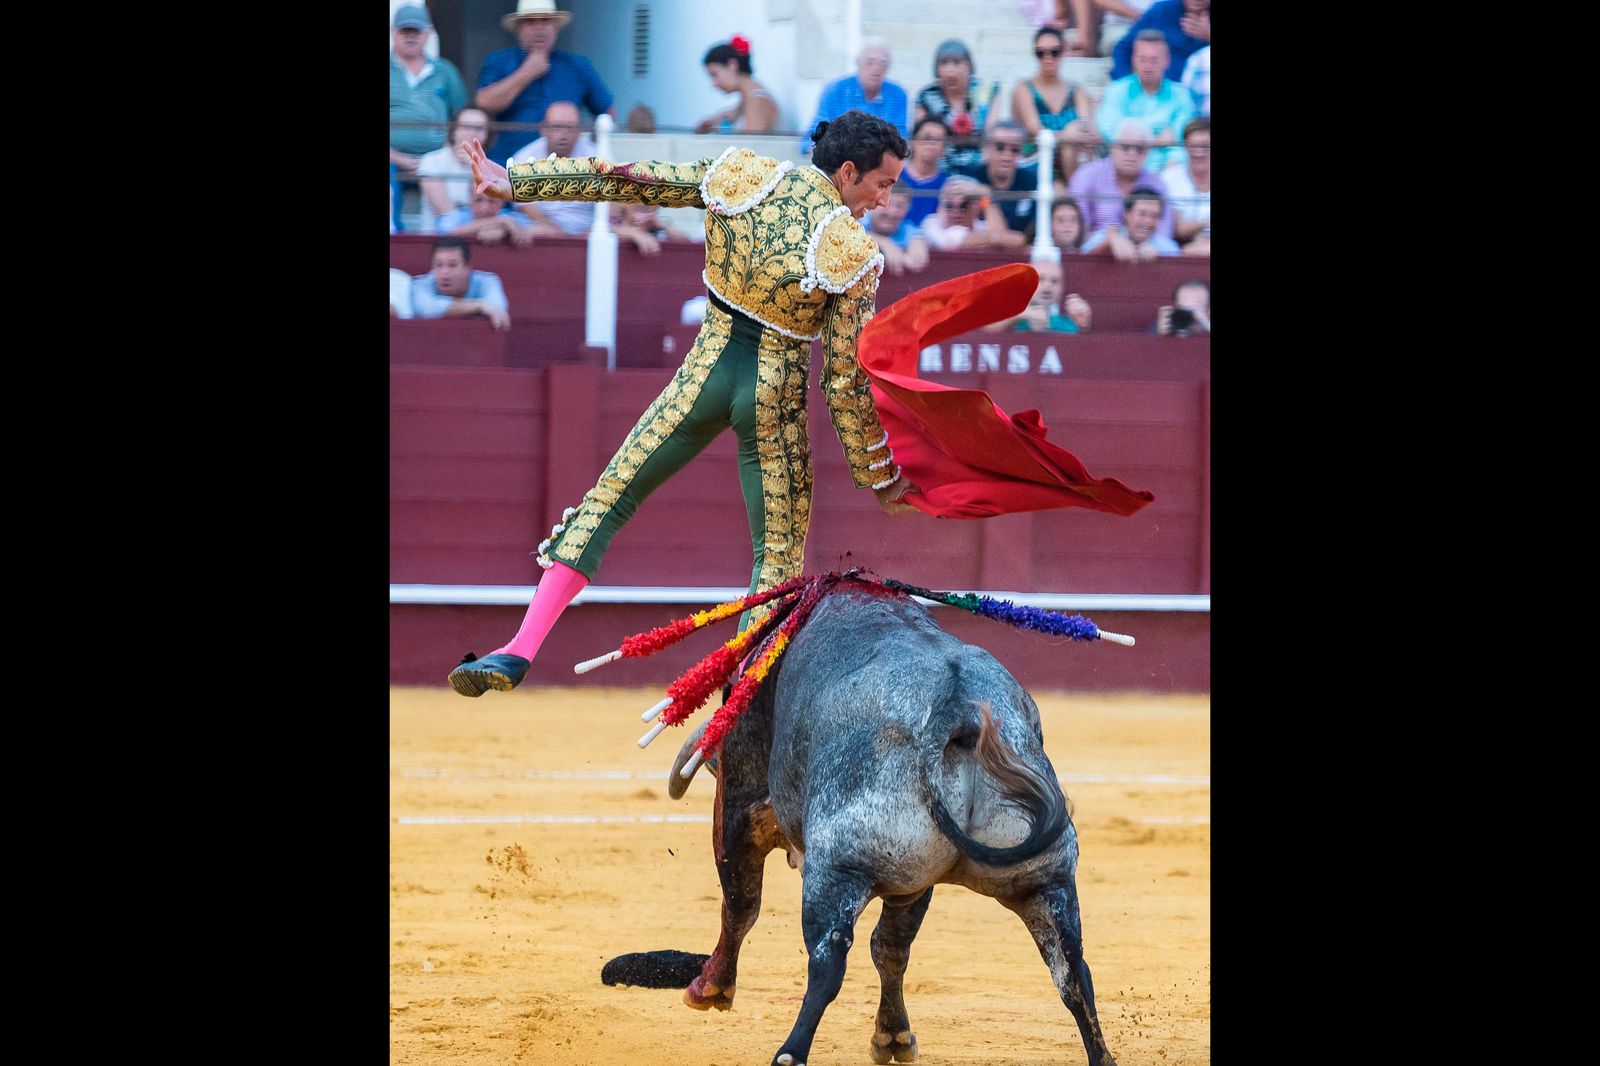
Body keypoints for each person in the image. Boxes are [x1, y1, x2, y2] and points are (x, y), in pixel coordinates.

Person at [447, 110, 920, 700]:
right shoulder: (854, 253)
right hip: (773, 399)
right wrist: (879, 475)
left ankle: (519, 648)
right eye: (884, 184)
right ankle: (740, 718)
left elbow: (631, 179)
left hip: (704, 373)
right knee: (776, 564)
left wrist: (516, 183)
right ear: (849, 172)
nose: (884, 200)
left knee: (609, 498)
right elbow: (845, 380)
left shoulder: (743, 175)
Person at [475, 0, 613, 161]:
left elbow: (607, 111)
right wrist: (526, 72)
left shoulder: (577, 65)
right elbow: (484, 103)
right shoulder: (498, 62)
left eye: (546, 21)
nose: (539, 28)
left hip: (566, 173)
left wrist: (589, 148)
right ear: (519, 28)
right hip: (507, 167)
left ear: (555, 27)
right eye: (531, 22)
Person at [390, 5, 468, 214]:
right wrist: (397, 158)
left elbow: (460, 116)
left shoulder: (445, 70)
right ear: (393, 32)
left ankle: (450, 235)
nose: (410, 37)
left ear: (427, 34)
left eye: (416, 31)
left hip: (440, 158)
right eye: (405, 31)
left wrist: (443, 153)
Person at [1095, 30, 1196, 172]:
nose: (1147, 66)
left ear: (1167, 61)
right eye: (1142, 59)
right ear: (1134, 60)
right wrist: (1156, 140)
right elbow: (1112, 134)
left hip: (1168, 167)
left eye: (1154, 60)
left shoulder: (1181, 95)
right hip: (1124, 166)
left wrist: (1136, 136)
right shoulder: (1116, 90)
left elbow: (1180, 137)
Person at [1010, 25, 1098, 179]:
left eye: (1054, 52)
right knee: (1070, 142)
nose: (1047, 58)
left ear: (1063, 52)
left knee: (1077, 142)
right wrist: (1067, 136)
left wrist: (1077, 132)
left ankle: (1077, 191)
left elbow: (1086, 125)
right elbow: (1035, 129)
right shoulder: (1023, 88)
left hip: (1072, 158)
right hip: (1036, 160)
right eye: (1041, 53)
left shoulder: (1076, 90)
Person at [1066, 118, 1174, 240]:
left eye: (1139, 149)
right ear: (1112, 147)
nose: (1132, 154)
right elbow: (1077, 232)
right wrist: (1111, 241)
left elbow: (1164, 233)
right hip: (1097, 249)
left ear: (1147, 153)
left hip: (1147, 250)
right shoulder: (1086, 176)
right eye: (1125, 147)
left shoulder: (1157, 185)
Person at [804, 37, 909, 151]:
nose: (876, 68)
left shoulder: (897, 95)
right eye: (870, 62)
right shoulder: (834, 91)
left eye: (883, 63)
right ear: (858, 63)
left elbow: (900, 140)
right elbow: (812, 137)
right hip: (839, 160)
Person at [508, 101, 597, 235]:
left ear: (579, 131)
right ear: (544, 129)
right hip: (541, 231)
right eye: (557, 127)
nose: (563, 135)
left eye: (570, 128)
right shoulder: (524, 158)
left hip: (588, 231)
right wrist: (556, 233)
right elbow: (525, 207)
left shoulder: (598, 156)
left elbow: (613, 206)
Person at [913, 40, 1001, 172]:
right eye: (943, 63)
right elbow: (922, 141)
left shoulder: (986, 91)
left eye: (957, 63)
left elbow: (991, 137)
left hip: (980, 165)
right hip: (940, 168)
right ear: (936, 69)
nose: (950, 71)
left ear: (969, 66)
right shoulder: (926, 97)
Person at [409, 237, 512, 330]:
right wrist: (478, 305)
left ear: (468, 267)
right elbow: (428, 309)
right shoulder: (420, 285)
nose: (445, 272)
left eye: (452, 265)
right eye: (438, 265)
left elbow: (498, 309)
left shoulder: (488, 281)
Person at [956, 121, 1038, 235]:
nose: (1007, 156)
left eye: (1014, 149)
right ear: (987, 148)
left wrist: (985, 197)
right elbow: (956, 226)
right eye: (1000, 147)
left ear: (1021, 153)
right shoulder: (969, 176)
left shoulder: (1032, 182)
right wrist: (986, 201)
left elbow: (1029, 233)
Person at [417, 108, 492, 232]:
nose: (473, 133)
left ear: (487, 135)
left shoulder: (490, 167)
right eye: (466, 127)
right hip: (438, 237)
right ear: (453, 131)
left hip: (480, 236)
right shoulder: (431, 160)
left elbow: (490, 209)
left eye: (479, 129)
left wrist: (475, 167)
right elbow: (446, 216)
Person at [983, 253, 1092, 332]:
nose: (1048, 285)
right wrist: (1022, 314)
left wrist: (1083, 325)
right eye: (1041, 279)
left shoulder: (1067, 325)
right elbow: (986, 328)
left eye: (1054, 281)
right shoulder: (1009, 320)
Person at [1110, 0, 1210, 82]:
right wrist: (1125, 81)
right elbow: (1123, 48)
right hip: (1161, 92)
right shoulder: (1161, 11)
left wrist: (1208, 35)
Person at [695, 37, 778, 134]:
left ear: (732, 65)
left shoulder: (756, 100)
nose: (714, 84)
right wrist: (711, 122)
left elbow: (751, 145)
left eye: (715, 74)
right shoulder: (748, 97)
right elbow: (731, 114)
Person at [919, 176, 1026, 251]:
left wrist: (985, 198)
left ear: (976, 208)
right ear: (939, 209)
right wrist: (996, 239)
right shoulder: (931, 222)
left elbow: (1017, 240)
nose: (956, 213)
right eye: (949, 206)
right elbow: (947, 242)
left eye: (964, 206)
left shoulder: (981, 227)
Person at [1080, 186, 1182, 259]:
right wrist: (1108, 245)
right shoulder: (1105, 237)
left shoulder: (1168, 247)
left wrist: (1159, 258)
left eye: (1154, 216)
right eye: (1142, 214)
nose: (1148, 221)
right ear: (1126, 214)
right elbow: (1080, 261)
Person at [1160, 116, 1209, 248]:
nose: (1199, 152)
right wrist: (1204, 223)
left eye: (1205, 146)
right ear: (1185, 147)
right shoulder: (1169, 178)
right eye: (1194, 146)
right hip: (1179, 249)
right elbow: (1176, 230)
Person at [864, 184, 932, 275]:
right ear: (870, 205)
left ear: (907, 209)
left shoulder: (910, 231)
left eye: (899, 206)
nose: (892, 212)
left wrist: (919, 240)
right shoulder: (856, 223)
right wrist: (882, 242)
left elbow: (919, 234)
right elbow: (852, 235)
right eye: (886, 204)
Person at [437, 188, 538, 247]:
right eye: (479, 200)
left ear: (502, 203)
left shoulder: (510, 218)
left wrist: (505, 232)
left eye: (492, 201)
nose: (485, 208)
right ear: (469, 200)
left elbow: (551, 231)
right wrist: (501, 222)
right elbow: (448, 234)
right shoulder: (456, 217)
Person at [899, 117, 950, 228]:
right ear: (912, 141)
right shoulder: (893, 177)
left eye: (938, 140)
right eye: (926, 137)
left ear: (944, 149)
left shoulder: (948, 185)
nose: (931, 143)